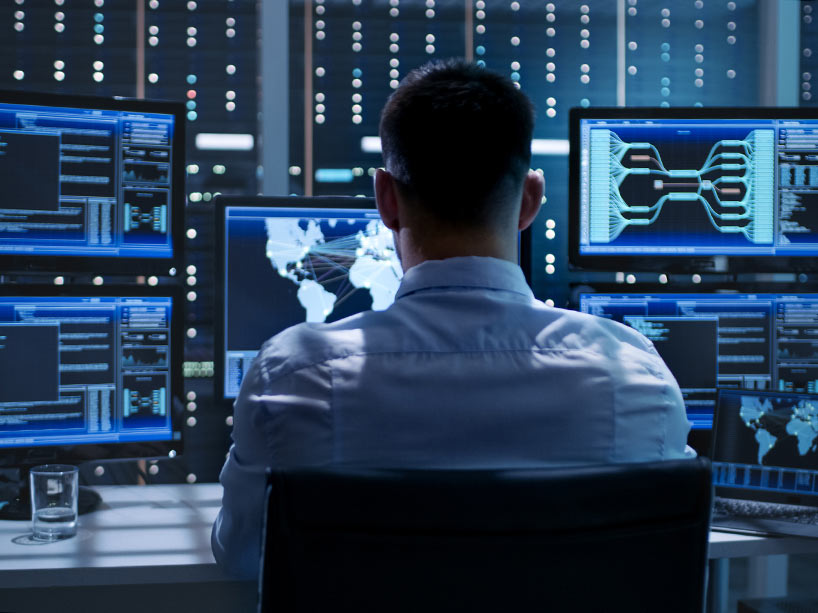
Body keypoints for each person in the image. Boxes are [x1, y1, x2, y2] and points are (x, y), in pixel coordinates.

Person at [212, 59, 694, 579]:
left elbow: (241, 557)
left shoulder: (293, 376)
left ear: (385, 198)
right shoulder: (635, 374)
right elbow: (664, 559)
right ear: (530, 199)